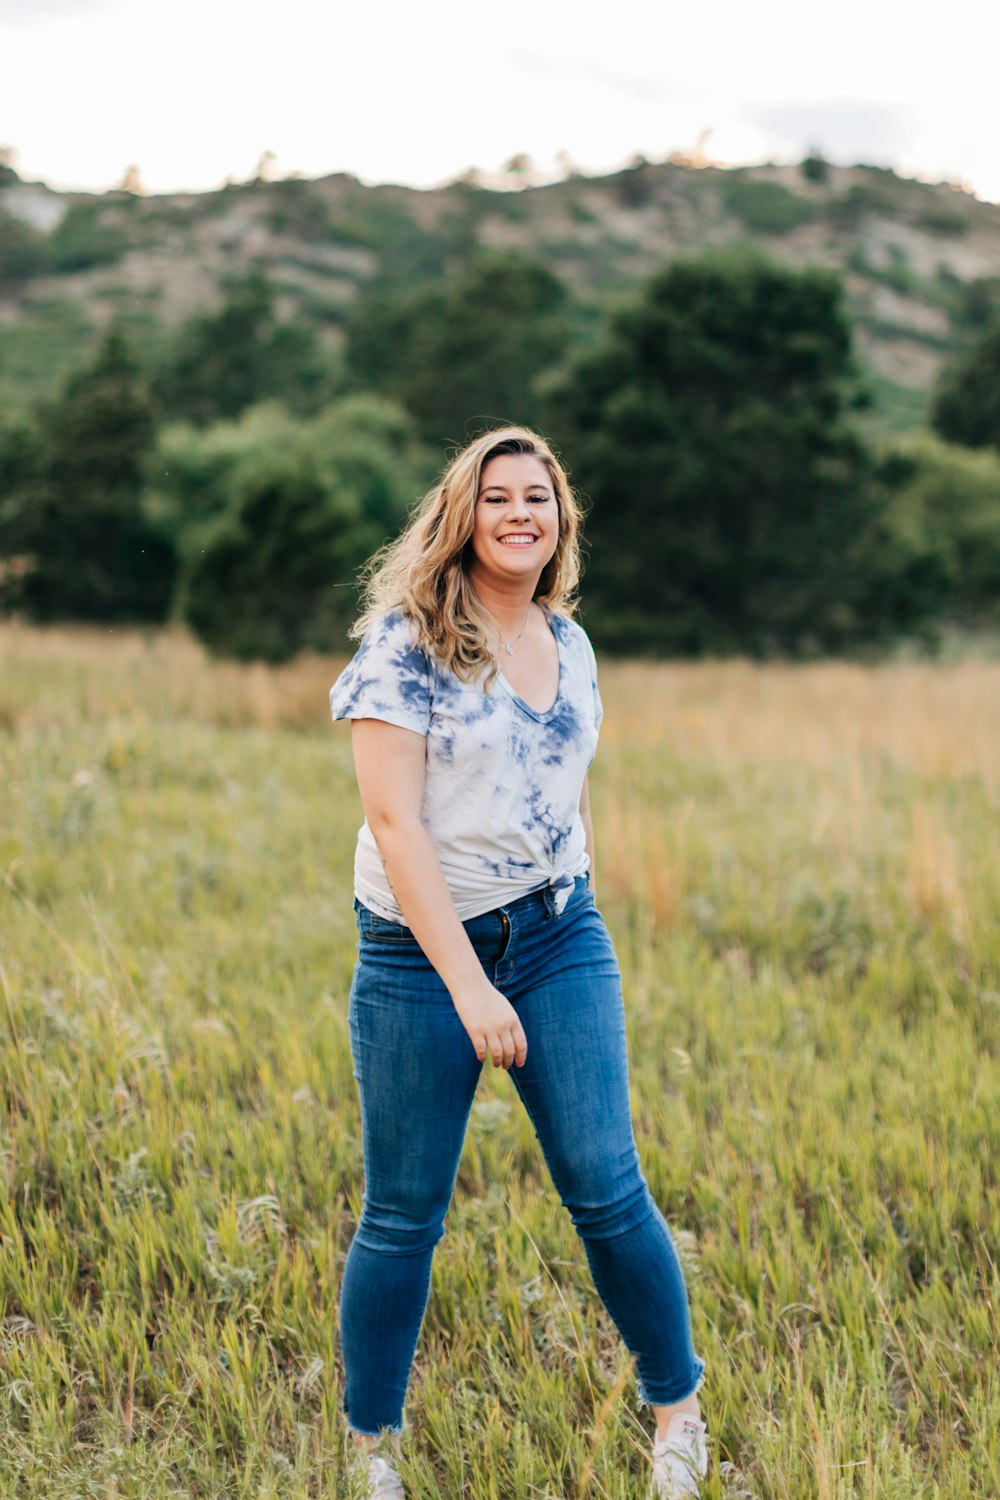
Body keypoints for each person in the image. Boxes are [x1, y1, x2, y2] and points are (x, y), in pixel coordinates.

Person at [329, 426, 708, 1498]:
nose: (518, 515)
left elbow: (570, 776)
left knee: (605, 1180)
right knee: (404, 1209)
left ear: (560, 519)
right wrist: (470, 986)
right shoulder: (406, 645)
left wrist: (579, 898)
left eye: (536, 498)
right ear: (464, 515)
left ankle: (678, 1415)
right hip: (419, 954)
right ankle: (372, 1450)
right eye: (496, 498)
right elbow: (395, 828)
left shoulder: (571, 642)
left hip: (556, 934)